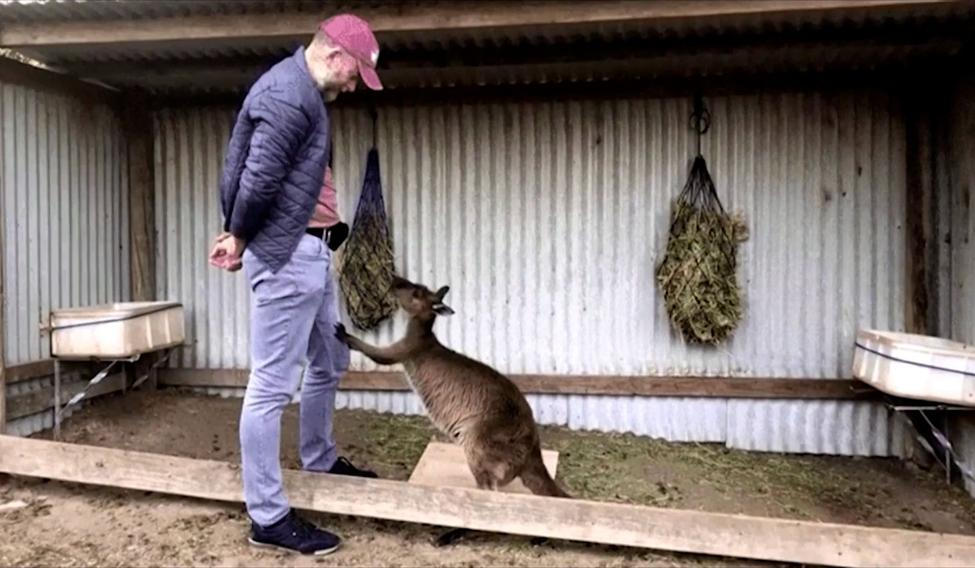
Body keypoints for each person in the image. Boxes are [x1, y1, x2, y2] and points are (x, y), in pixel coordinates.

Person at [208, 13, 383, 556]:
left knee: (331, 359)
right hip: (287, 256)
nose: (354, 86)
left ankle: (320, 458)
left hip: (313, 252)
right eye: (355, 74)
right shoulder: (289, 95)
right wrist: (238, 235)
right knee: (271, 385)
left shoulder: (304, 95)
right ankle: (267, 516)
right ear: (335, 56)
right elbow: (257, 174)